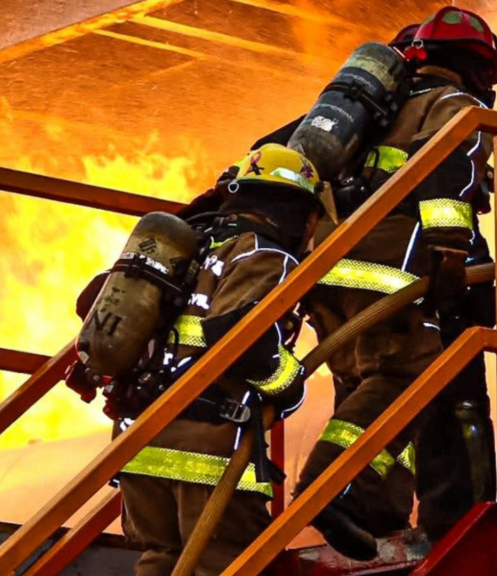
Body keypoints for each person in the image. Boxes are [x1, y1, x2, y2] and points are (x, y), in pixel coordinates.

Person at [291, 7, 497, 560]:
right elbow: (447, 177)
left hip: (327, 271)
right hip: (393, 271)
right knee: (404, 376)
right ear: (479, 68)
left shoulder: (370, 116)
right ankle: (331, 485)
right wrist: (449, 253)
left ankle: (376, 514)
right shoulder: (452, 108)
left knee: (366, 389)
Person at [117, 143, 335, 576]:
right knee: (223, 564)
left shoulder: (193, 247)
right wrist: (288, 382)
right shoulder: (264, 253)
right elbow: (238, 340)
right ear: (299, 211)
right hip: (208, 446)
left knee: (160, 558)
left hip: (139, 440)